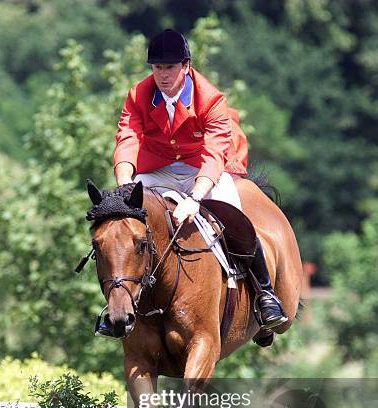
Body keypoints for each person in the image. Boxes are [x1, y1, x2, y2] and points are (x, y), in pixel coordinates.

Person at [113, 29, 287, 330]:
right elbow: (127, 138)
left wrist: (195, 198)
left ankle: (264, 294)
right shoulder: (138, 95)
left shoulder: (210, 98)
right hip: (159, 170)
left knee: (234, 216)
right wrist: (125, 184)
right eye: (157, 68)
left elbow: (215, 151)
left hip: (203, 169)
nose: (163, 75)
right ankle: (120, 302)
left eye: (169, 68)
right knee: (122, 221)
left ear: (186, 66)